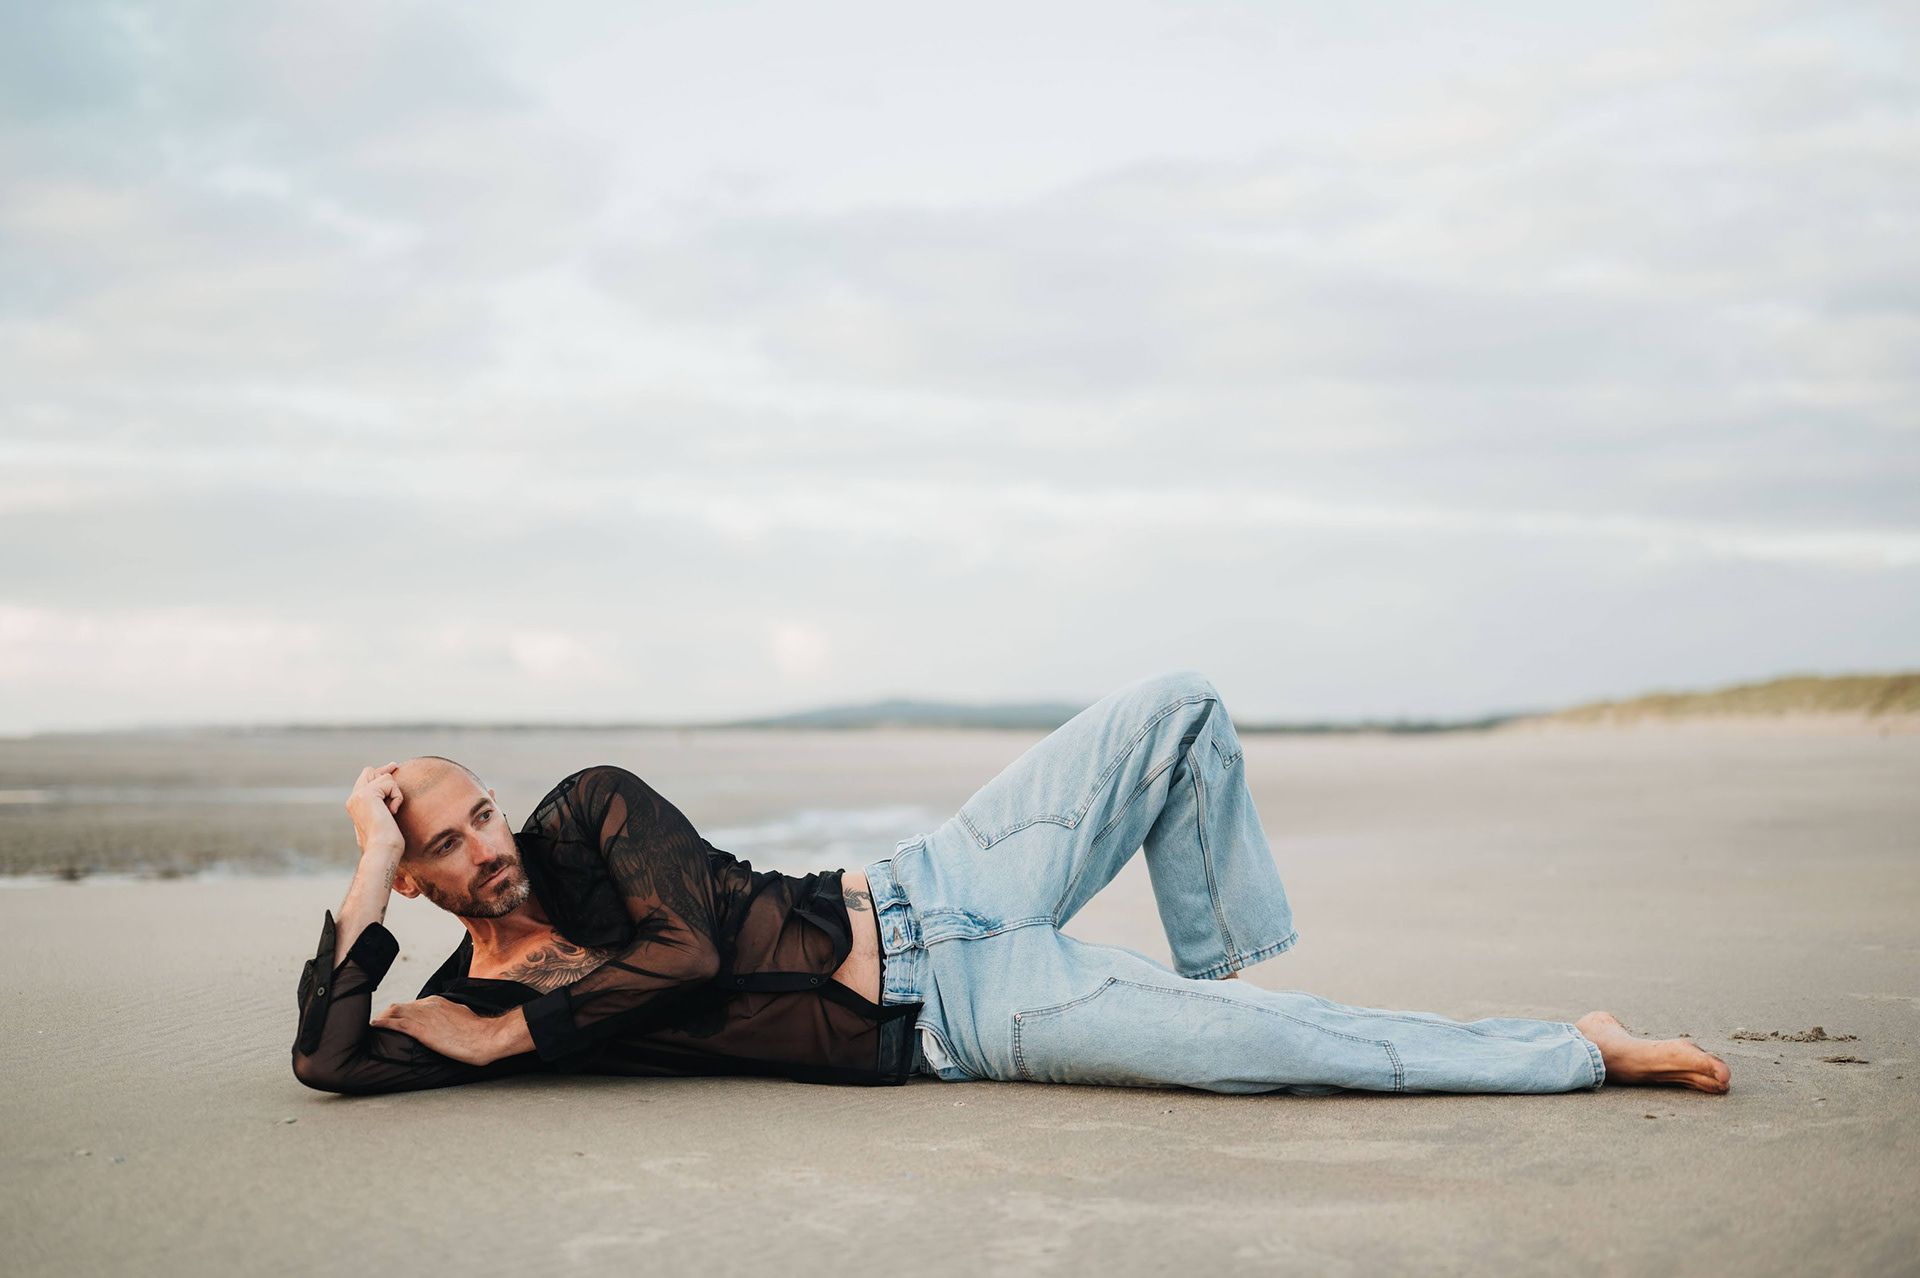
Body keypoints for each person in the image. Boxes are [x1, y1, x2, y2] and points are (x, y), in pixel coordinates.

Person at [291, 672, 1732, 1097]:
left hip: (939, 878)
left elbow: (687, 956)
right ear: (414, 879)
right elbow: (328, 1057)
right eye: (445, 845)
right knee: (1292, 1059)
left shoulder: (590, 814)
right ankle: (1579, 1047)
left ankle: (1217, 979)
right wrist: (367, 849)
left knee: (1181, 708)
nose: (488, 846)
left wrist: (515, 1038)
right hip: (960, 1017)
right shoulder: (454, 990)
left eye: (480, 812)